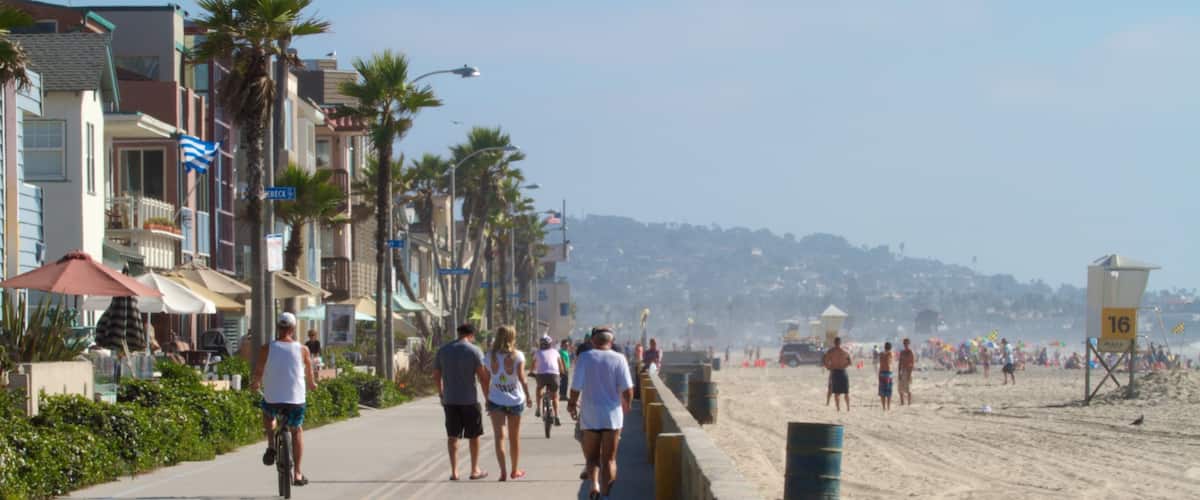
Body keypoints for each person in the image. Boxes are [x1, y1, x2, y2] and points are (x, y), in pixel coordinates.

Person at [251, 313, 317, 487]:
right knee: (297, 430)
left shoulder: (267, 348)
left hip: (273, 398)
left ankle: (271, 444)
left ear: (278, 328)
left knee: (268, 413)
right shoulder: (303, 349)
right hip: (296, 400)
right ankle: (297, 473)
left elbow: (258, 371)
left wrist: (255, 383)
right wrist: (312, 385)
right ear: (293, 329)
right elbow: (310, 375)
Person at [569, 327, 634, 500]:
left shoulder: (584, 357)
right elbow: (628, 390)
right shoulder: (619, 358)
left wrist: (571, 404)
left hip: (590, 415)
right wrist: (627, 405)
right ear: (611, 342)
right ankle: (605, 495)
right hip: (612, 416)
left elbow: (575, 387)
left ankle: (595, 484)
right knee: (610, 460)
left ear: (593, 341)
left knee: (592, 458)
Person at [433, 324, 491, 481]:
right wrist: (488, 399)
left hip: (450, 400)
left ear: (458, 333)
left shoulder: (443, 350)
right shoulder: (474, 350)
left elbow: (436, 375)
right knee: (474, 436)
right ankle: (474, 470)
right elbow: (483, 378)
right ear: (471, 335)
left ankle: (455, 471)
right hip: (469, 400)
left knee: (452, 436)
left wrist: (441, 393)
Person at [486, 325, 532, 481]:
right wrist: (528, 394)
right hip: (515, 400)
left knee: (499, 437)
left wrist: (487, 397)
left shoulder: (490, 355)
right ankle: (515, 470)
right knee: (514, 437)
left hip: (496, 399)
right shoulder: (518, 355)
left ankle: (503, 472)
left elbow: (485, 380)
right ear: (513, 337)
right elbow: (522, 378)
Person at [532, 335, 566, 426]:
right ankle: (557, 416)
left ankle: (538, 409)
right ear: (550, 344)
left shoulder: (537, 352)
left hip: (541, 375)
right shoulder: (555, 352)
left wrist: (531, 372)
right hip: (554, 375)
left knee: (539, 388)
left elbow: (533, 365)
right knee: (555, 396)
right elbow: (560, 365)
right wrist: (562, 373)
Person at [823, 337, 852, 412]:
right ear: (840, 343)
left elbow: (825, 361)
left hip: (835, 372)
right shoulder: (845, 351)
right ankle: (848, 408)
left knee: (836, 393)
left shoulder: (831, 351)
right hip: (843, 372)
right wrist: (843, 366)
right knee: (846, 392)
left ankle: (838, 408)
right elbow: (850, 362)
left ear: (834, 343)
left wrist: (829, 368)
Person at [898, 338, 916, 406]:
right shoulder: (902, 352)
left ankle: (909, 403)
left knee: (908, 388)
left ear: (909, 344)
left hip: (908, 371)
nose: (905, 345)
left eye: (906, 343)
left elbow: (912, 363)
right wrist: (899, 372)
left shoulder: (910, 352)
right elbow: (900, 363)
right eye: (904, 343)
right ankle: (902, 402)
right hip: (902, 371)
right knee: (900, 388)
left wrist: (910, 373)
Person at [878, 342, 895, 411]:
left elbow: (886, 359)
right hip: (886, 373)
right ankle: (886, 407)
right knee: (886, 392)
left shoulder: (888, 354)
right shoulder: (886, 354)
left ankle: (886, 407)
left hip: (885, 373)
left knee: (886, 392)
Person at [559, 339, 574, 405]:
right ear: (562, 345)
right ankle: (562, 395)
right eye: (565, 345)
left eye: (567, 345)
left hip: (566, 368)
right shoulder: (561, 351)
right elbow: (562, 360)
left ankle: (563, 395)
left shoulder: (565, 351)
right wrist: (564, 368)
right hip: (563, 369)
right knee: (564, 382)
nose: (567, 346)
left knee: (565, 382)